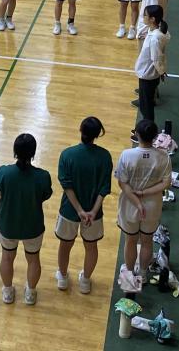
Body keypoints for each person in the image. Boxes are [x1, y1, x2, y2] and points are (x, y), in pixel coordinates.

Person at [54, 116, 112, 294]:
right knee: (91, 246)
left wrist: (79, 210)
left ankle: (63, 278)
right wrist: (93, 211)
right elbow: (105, 187)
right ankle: (85, 281)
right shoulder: (105, 156)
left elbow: (66, 185)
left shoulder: (67, 155)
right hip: (95, 213)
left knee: (65, 244)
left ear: (81, 130)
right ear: (97, 135)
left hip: (69, 210)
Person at [0, 133, 52, 305]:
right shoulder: (43, 176)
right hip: (33, 227)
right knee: (33, 259)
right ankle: (30, 294)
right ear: (33, 153)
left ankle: (7, 292)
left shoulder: (3, 172)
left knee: (7, 257)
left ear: (15, 151)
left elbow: (0, 190)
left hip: (8, 225)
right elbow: (44, 195)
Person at [115, 119, 173, 277]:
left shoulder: (126, 155)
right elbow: (166, 183)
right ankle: (142, 274)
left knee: (130, 241)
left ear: (137, 134)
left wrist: (137, 200)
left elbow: (122, 183)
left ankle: (129, 275)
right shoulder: (164, 157)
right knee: (147, 241)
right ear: (155, 136)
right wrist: (144, 193)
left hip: (129, 204)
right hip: (152, 206)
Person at [133, 6, 170, 121]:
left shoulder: (155, 38)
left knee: (146, 106)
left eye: (145, 15)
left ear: (152, 19)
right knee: (146, 103)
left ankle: (148, 128)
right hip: (149, 75)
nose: (143, 17)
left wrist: (161, 72)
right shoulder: (155, 32)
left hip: (148, 75)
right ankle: (147, 126)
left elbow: (156, 58)